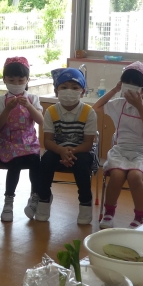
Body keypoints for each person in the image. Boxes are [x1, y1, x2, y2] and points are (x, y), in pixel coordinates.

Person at [94, 63, 143, 229]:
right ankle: (109, 212)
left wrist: (140, 106)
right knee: (117, 175)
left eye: (134, 84)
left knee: (134, 176)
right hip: (121, 150)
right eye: (126, 83)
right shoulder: (119, 104)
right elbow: (97, 107)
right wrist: (115, 89)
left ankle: (141, 216)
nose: (129, 87)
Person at [35, 68, 98, 225]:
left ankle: (85, 202)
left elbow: (88, 143)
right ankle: (44, 198)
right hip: (57, 150)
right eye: (64, 87)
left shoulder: (88, 112)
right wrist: (61, 150)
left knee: (82, 163)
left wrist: (70, 152)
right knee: (46, 160)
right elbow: (48, 141)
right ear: (56, 91)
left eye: (75, 88)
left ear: (82, 92)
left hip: (81, 151)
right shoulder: (51, 111)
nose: (69, 91)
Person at [0, 57, 44, 222]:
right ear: (5, 80)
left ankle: (35, 196)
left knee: (36, 161)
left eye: (20, 80)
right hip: (5, 143)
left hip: (28, 142)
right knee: (16, 162)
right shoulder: (0, 100)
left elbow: (41, 120)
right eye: (11, 80)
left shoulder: (33, 98)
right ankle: (9, 200)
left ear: (27, 80)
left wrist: (29, 106)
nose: (16, 83)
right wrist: (7, 109)